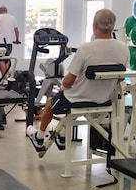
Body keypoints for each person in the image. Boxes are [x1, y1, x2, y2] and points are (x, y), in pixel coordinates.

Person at [26, 9, 129, 154]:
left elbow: (68, 81)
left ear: (94, 25)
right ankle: (61, 135)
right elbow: (121, 77)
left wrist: (62, 87)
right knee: (65, 103)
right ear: (113, 26)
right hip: (103, 100)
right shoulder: (123, 48)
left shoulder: (86, 48)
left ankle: (39, 137)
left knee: (51, 103)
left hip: (77, 100)